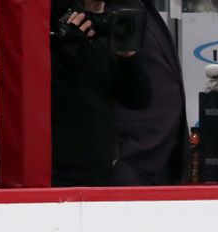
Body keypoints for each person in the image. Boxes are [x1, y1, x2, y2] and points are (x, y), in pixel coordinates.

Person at [51, 0, 150, 186]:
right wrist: (67, 46)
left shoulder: (115, 25)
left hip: (99, 163)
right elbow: (43, 93)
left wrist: (129, 59)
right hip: (57, 164)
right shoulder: (54, 21)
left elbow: (138, 100)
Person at [110, 0, 190, 186]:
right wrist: (116, 152)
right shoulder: (108, 12)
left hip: (165, 154)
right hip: (131, 158)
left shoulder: (145, 9)